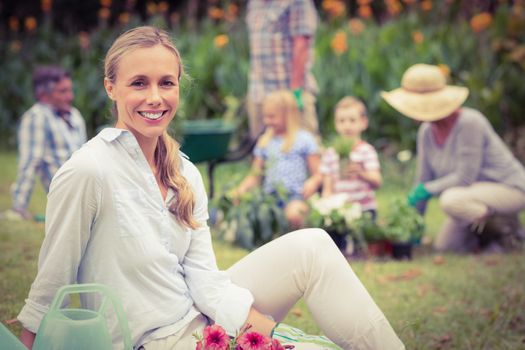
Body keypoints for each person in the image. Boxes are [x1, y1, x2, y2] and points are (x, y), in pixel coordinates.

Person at [18, 26, 404, 350]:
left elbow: (202, 275)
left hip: (197, 313)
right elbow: (52, 282)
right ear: (111, 88)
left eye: (166, 83)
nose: (155, 97)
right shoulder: (89, 170)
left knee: (313, 244)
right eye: (139, 83)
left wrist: (253, 321)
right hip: (153, 341)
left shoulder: (184, 172)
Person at [381, 63, 525, 253]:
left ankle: (507, 232)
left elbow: (465, 178)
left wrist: (427, 190)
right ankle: (483, 238)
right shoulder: (426, 132)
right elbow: (423, 179)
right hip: (470, 196)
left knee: (450, 200)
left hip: (508, 189)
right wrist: (413, 221)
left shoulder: (470, 123)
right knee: (446, 246)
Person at [2, 65, 86, 221]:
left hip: (88, 188)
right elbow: (30, 163)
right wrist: (19, 207)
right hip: (67, 197)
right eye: (63, 91)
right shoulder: (37, 117)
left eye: (70, 90)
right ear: (43, 94)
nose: (70, 96)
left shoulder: (74, 115)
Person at [230, 89, 322, 230]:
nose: (267, 121)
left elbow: (318, 173)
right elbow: (255, 175)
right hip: (269, 197)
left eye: (272, 117)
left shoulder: (304, 139)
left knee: (295, 214)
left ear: (288, 115)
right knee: (253, 215)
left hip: (294, 195)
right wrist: (241, 190)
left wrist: (313, 182)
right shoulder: (265, 141)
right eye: (265, 117)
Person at [246, 0, 319, 141]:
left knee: (303, 144)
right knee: (263, 147)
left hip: (288, 88)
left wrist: (295, 92)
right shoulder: (254, 3)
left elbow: (301, 44)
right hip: (259, 89)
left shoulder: (297, 2)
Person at [320, 96, 382, 217]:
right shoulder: (330, 153)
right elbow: (327, 188)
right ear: (336, 124)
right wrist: (326, 207)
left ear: (363, 123)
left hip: (364, 209)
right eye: (341, 121)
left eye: (352, 120)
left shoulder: (366, 151)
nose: (347, 126)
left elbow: (377, 182)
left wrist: (361, 173)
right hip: (340, 211)